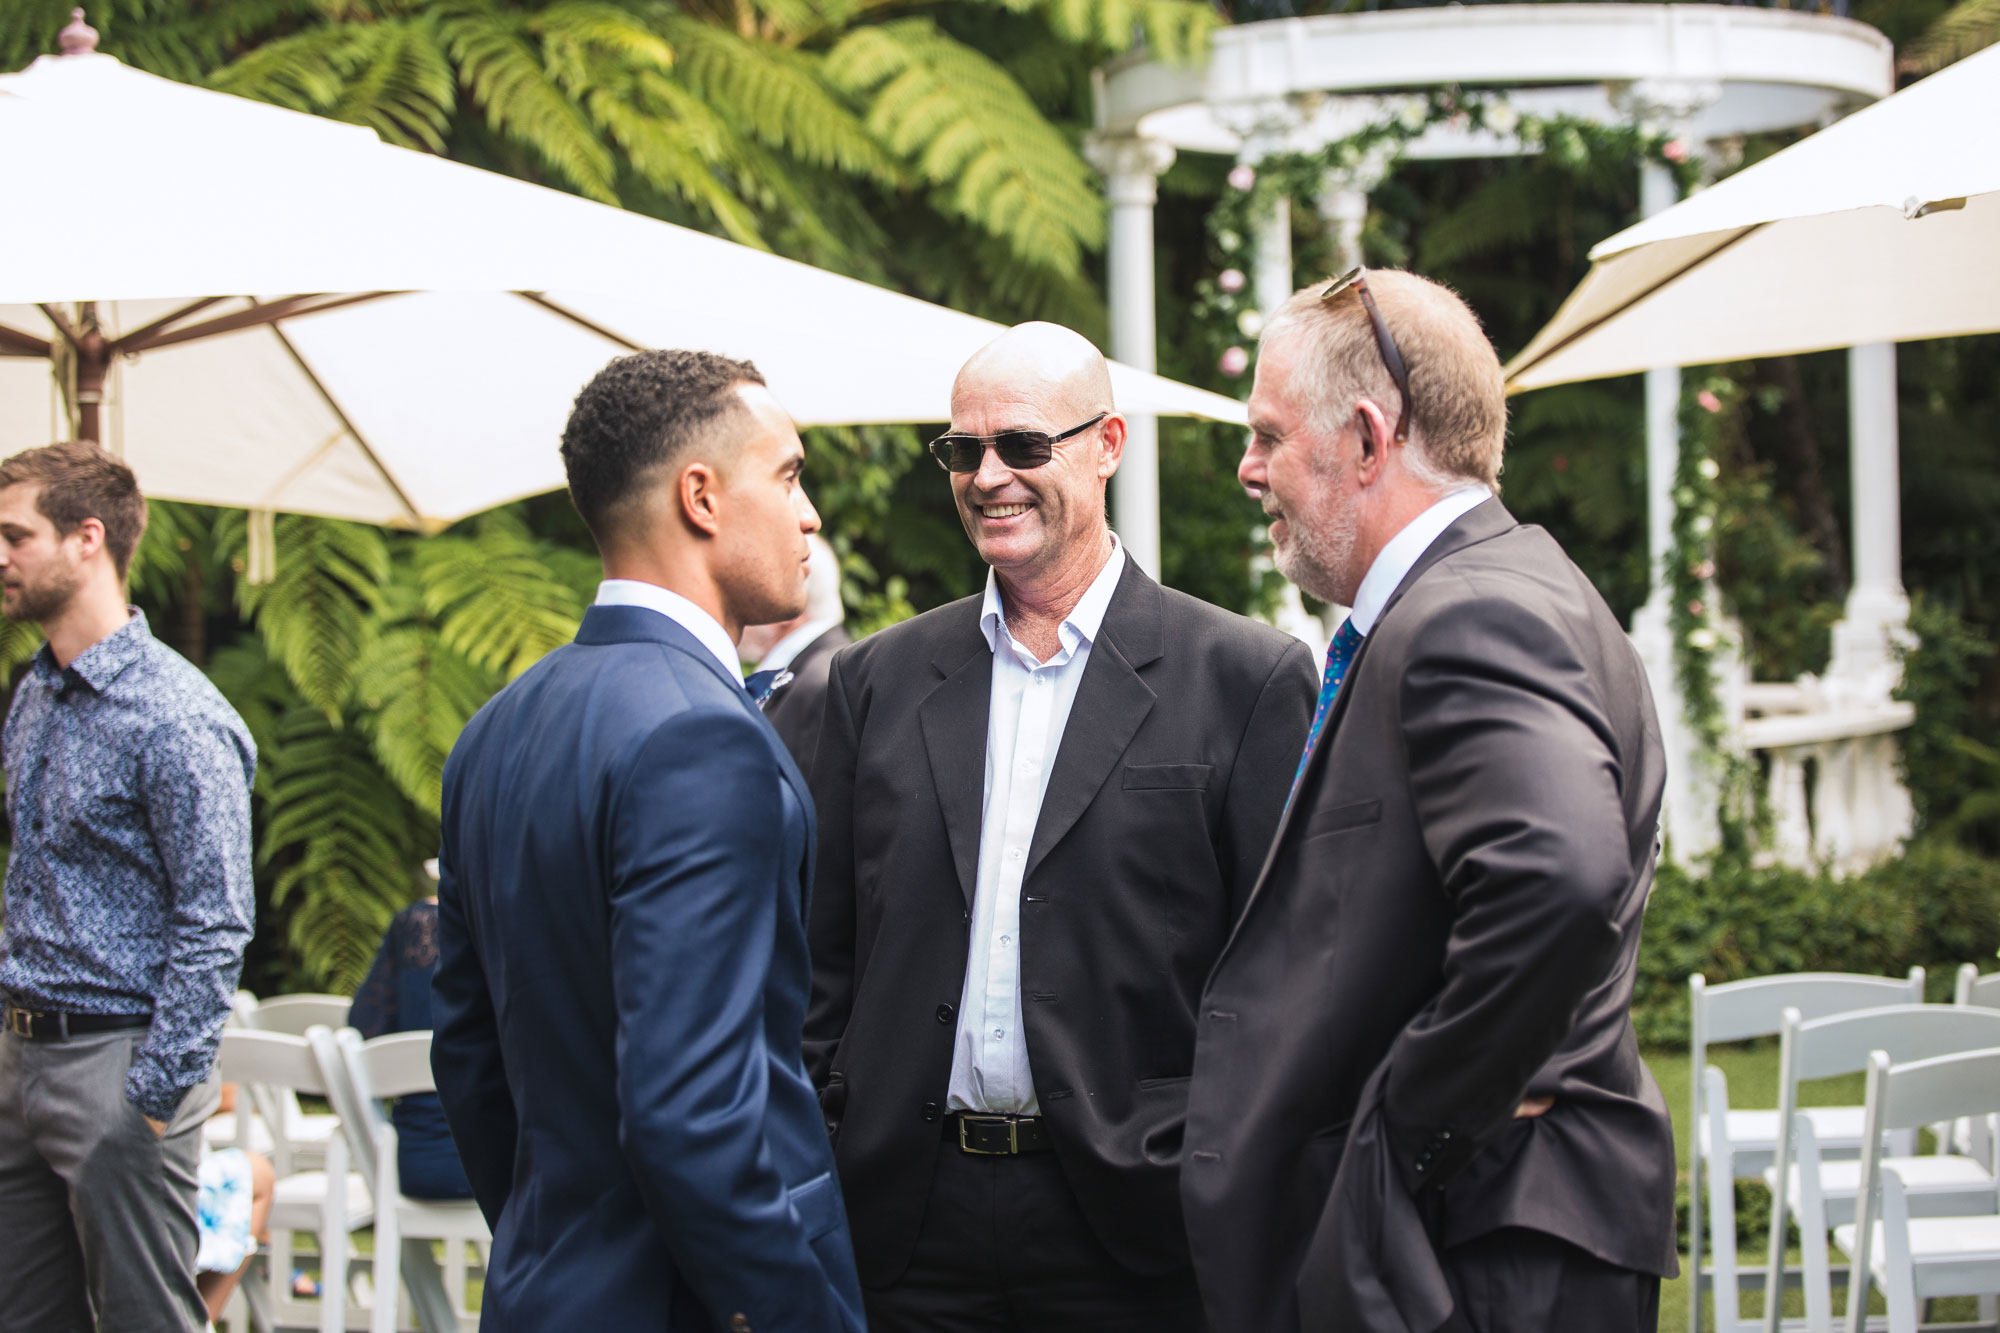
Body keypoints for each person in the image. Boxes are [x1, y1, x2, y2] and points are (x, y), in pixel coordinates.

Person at [1182, 268, 1677, 1333]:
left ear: (1367, 438)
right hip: (1491, 1228)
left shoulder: (1470, 614)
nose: (1246, 467)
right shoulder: (1496, 585)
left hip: (1482, 1240)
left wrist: (1406, 1128)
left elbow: (1557, 877)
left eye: (1267, 434)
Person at [806, 322, 1318, 1330]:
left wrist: (1205, 1163)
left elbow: (1284, 979)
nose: (988, 475)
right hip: (908, 1225)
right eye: (964, 450)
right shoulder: (877, 681)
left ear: (1107, 444)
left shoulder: (1243, 679)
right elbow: (827, 956)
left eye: (1023, 446)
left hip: (1134, 1225)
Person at [432, 349, 865, 1333]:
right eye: (789, 475)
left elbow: (467, 1056)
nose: (810, 516)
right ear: (700, 496)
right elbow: (691, 1111)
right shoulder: (701, 737)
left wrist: (564, 1241)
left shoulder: (494, 728)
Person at [0, 440, 258, 1333]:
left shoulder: (179, 716)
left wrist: (149, 1100)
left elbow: (217, 918)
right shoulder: (34, 693)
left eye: (13, 534)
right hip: (18, 1061)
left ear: (87, 539)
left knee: (147, 1322)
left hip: (117, 1065)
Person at [350, 895, 473, 1200]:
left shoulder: (412, 923)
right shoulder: (509, 924)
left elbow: (362, 1025)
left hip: (414, 1160)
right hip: (500, 1167)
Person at [737, 532, 849, 767]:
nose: (737, 607)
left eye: (749, 589)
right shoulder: (822, 672)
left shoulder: (825, 683)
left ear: (790, 602)